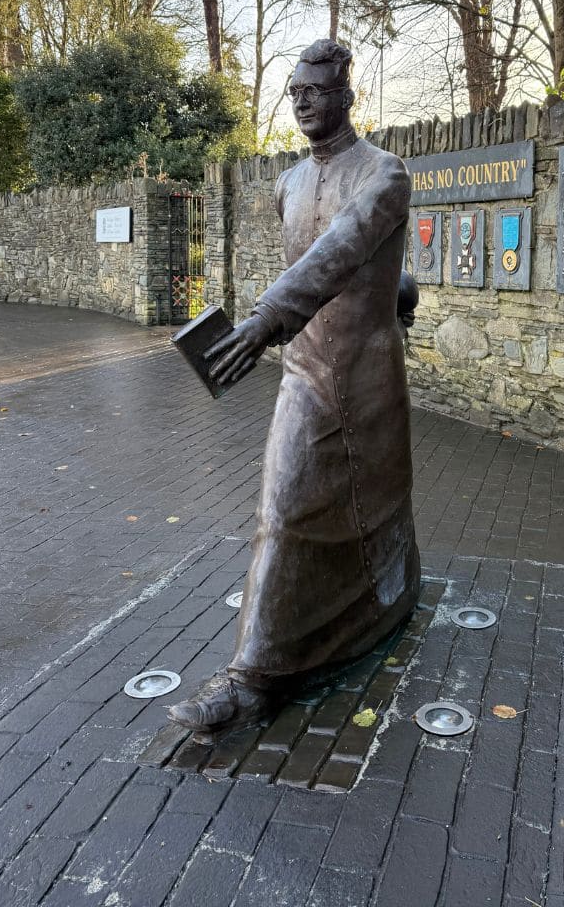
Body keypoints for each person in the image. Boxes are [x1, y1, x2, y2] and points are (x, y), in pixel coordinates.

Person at [169, 39, 420, 740]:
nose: (303, 100)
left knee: (369, 509)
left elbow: (344, 245)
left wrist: (267, 318)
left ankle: (378, 605)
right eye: (294, 90)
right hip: (306, 373)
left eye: (316, 88)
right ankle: (256, 677)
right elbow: (340, 260)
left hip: (366, 381)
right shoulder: (286, 183)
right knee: (284, 511)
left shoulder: (384, 173)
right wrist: (398, 288)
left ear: (346, 94)